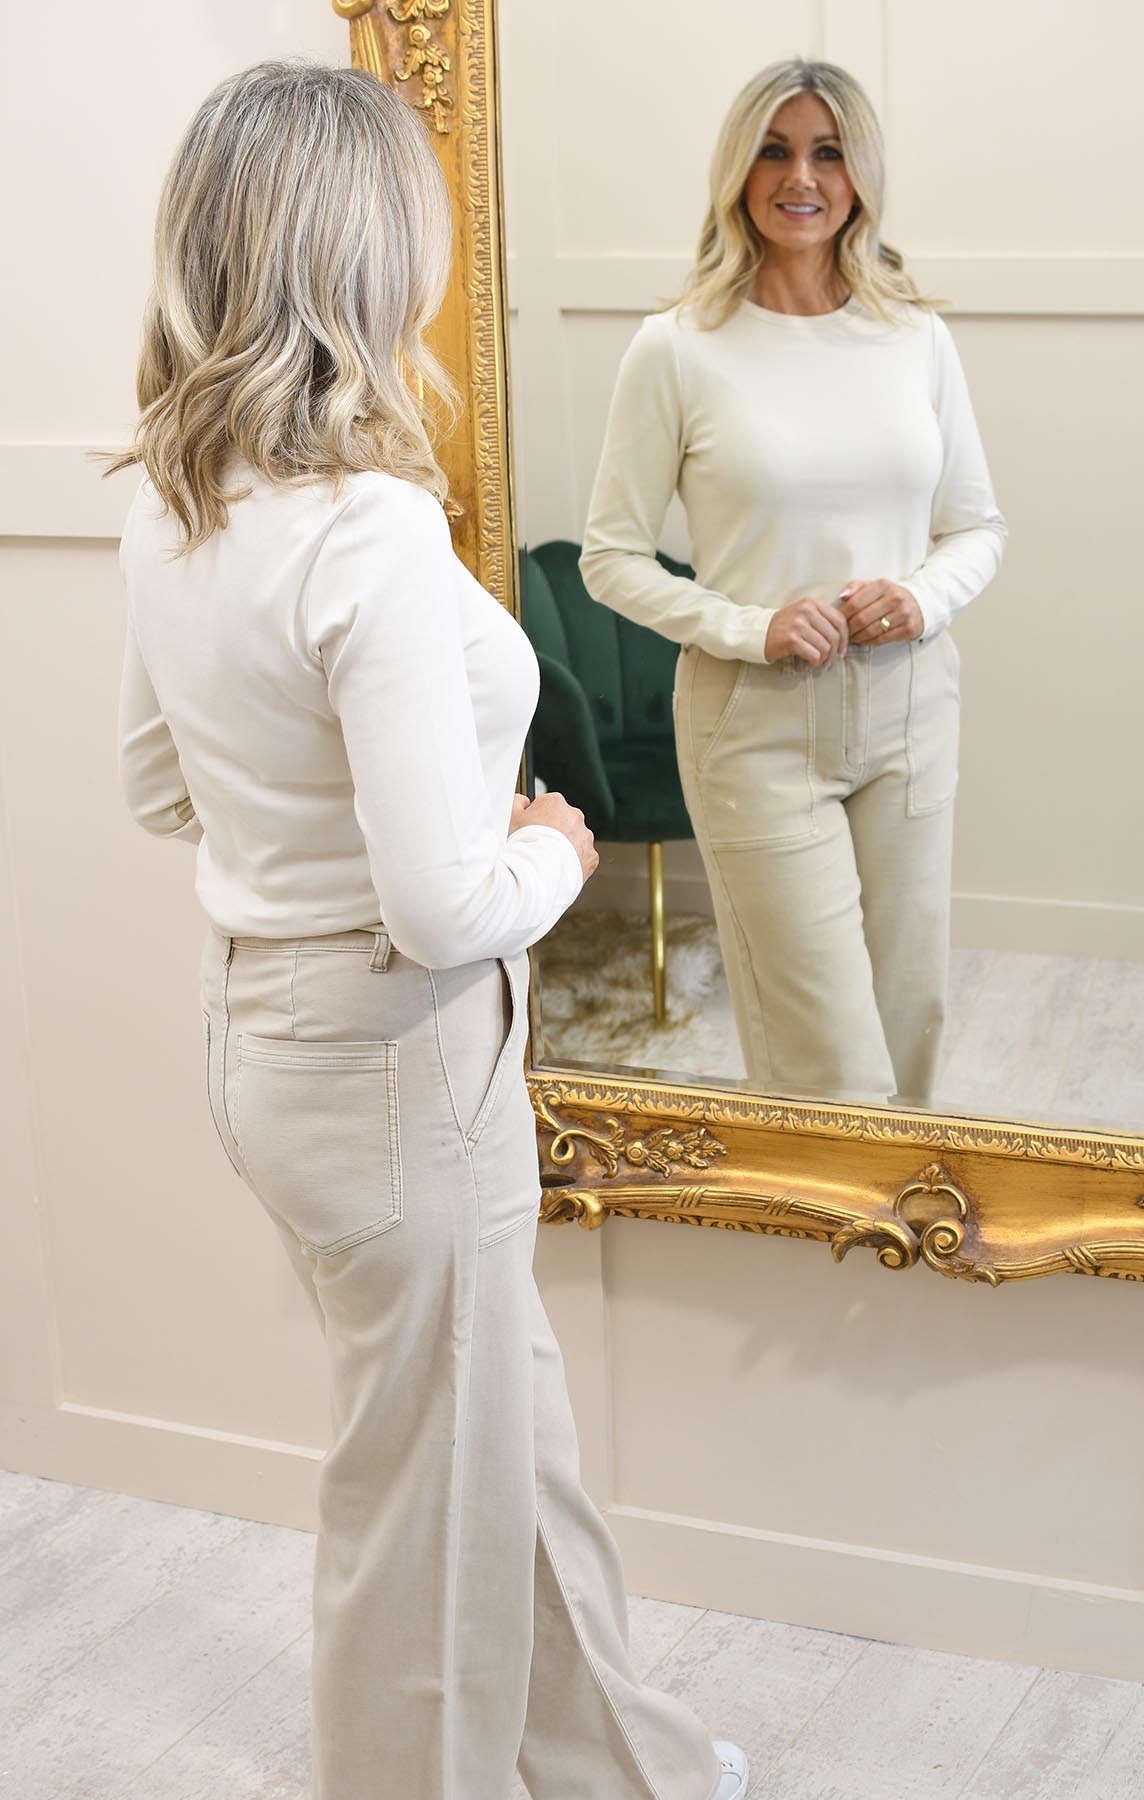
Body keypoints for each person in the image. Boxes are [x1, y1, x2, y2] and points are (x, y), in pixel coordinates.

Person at [111, 60, 747, 1800]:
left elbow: (158, 789)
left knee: (501, 1447)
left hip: (267, 1047)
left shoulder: (175, 498)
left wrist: (298, 830)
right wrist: (550, 848)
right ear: (367, 250)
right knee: (423, 1519)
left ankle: (627, 1768)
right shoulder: (371, 532)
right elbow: (446, 904)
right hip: (398, 1066)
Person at [580, 57, 1008, 1108]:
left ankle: (907, 1217)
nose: (801, 177)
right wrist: (752, 626)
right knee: (827, 1063)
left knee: (910, 1026)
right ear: (738, 168)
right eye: (774, 150)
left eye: (828, 152)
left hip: (912, 707)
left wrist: (921, 598)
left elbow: (976, 528)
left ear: (861, 175)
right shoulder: (676, 348)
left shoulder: (916, 337)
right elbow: (610, 557)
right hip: (754, 725)